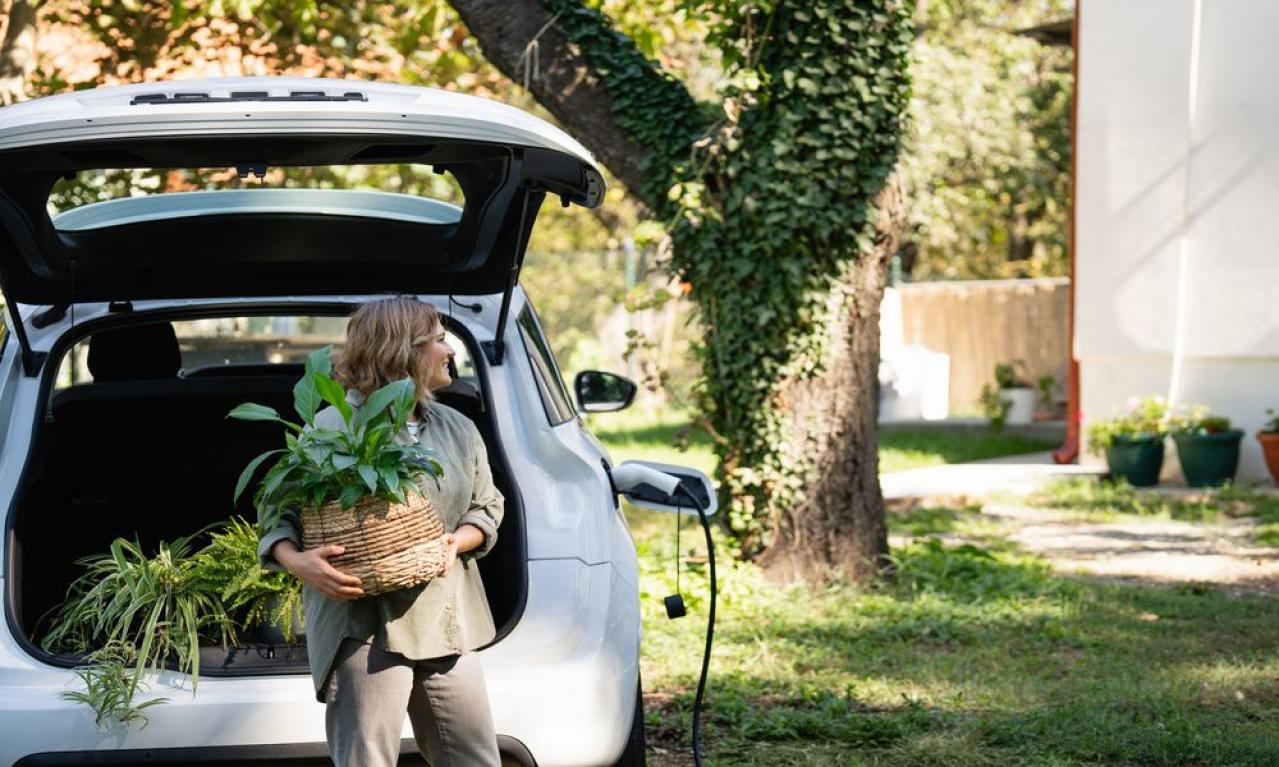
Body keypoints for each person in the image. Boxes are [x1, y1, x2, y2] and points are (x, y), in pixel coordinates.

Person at [257, 296, 504, 767]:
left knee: (475, 758)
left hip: (447, 618)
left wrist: (459, 541)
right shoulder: (329, 430)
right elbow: (277, 517)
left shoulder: (458, 428)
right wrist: (299, 562)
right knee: (367, 758)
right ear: (402, 351)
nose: (450, 349)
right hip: (364, 627)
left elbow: (487, 505)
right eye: (437, 340)